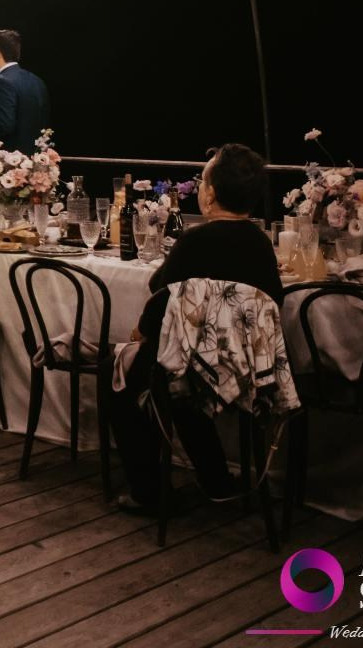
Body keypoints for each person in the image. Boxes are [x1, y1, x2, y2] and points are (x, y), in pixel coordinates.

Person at [108, 144, 285, 509]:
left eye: (203, 179)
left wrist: (140, 332)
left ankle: (148, 491)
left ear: (211, 194)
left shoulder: (195, 240)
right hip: (247, 365)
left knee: (121, 374)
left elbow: (162, 294)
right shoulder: (261, 243)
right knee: (182, 386)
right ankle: (216, 480)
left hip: (197, 365)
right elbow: (274, 301)